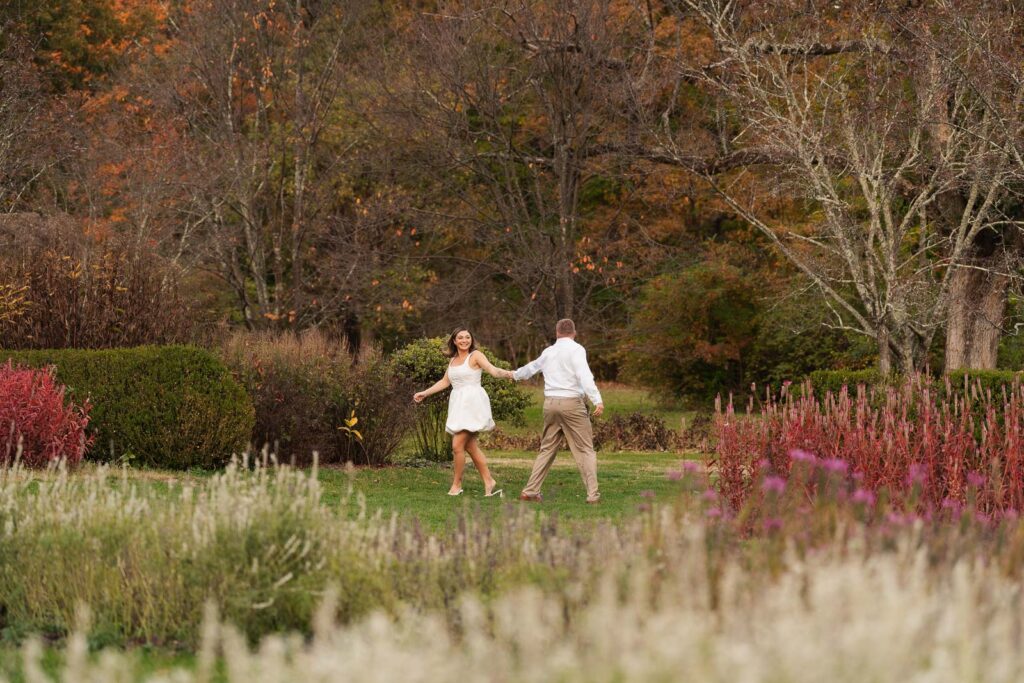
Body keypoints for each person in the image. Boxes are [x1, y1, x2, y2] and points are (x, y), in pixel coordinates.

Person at [511, 318, 604, 504]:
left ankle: (530, 492)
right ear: (574, 333)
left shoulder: (549, 351)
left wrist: (513, 374)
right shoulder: (577, 350)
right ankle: (592, 496)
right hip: (572, 404)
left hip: (550, 404)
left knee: (547, 449)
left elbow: (531, 368)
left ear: (556, 333)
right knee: (585, 449)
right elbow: (584, 375)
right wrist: (597, 400)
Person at [413, 327, 514, 497]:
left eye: (468, 337)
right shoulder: (452, 361)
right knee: (470, 446)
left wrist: (510, 374)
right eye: (460, 337)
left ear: (471, 340)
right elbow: (445, 381)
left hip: (473, 404)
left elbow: (493, 370)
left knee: (457, 445)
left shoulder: (476, 356)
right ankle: (489, 481)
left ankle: (456, 485)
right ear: (454, 341)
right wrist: (425, 393)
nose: (465, 340)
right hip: (458, 404)